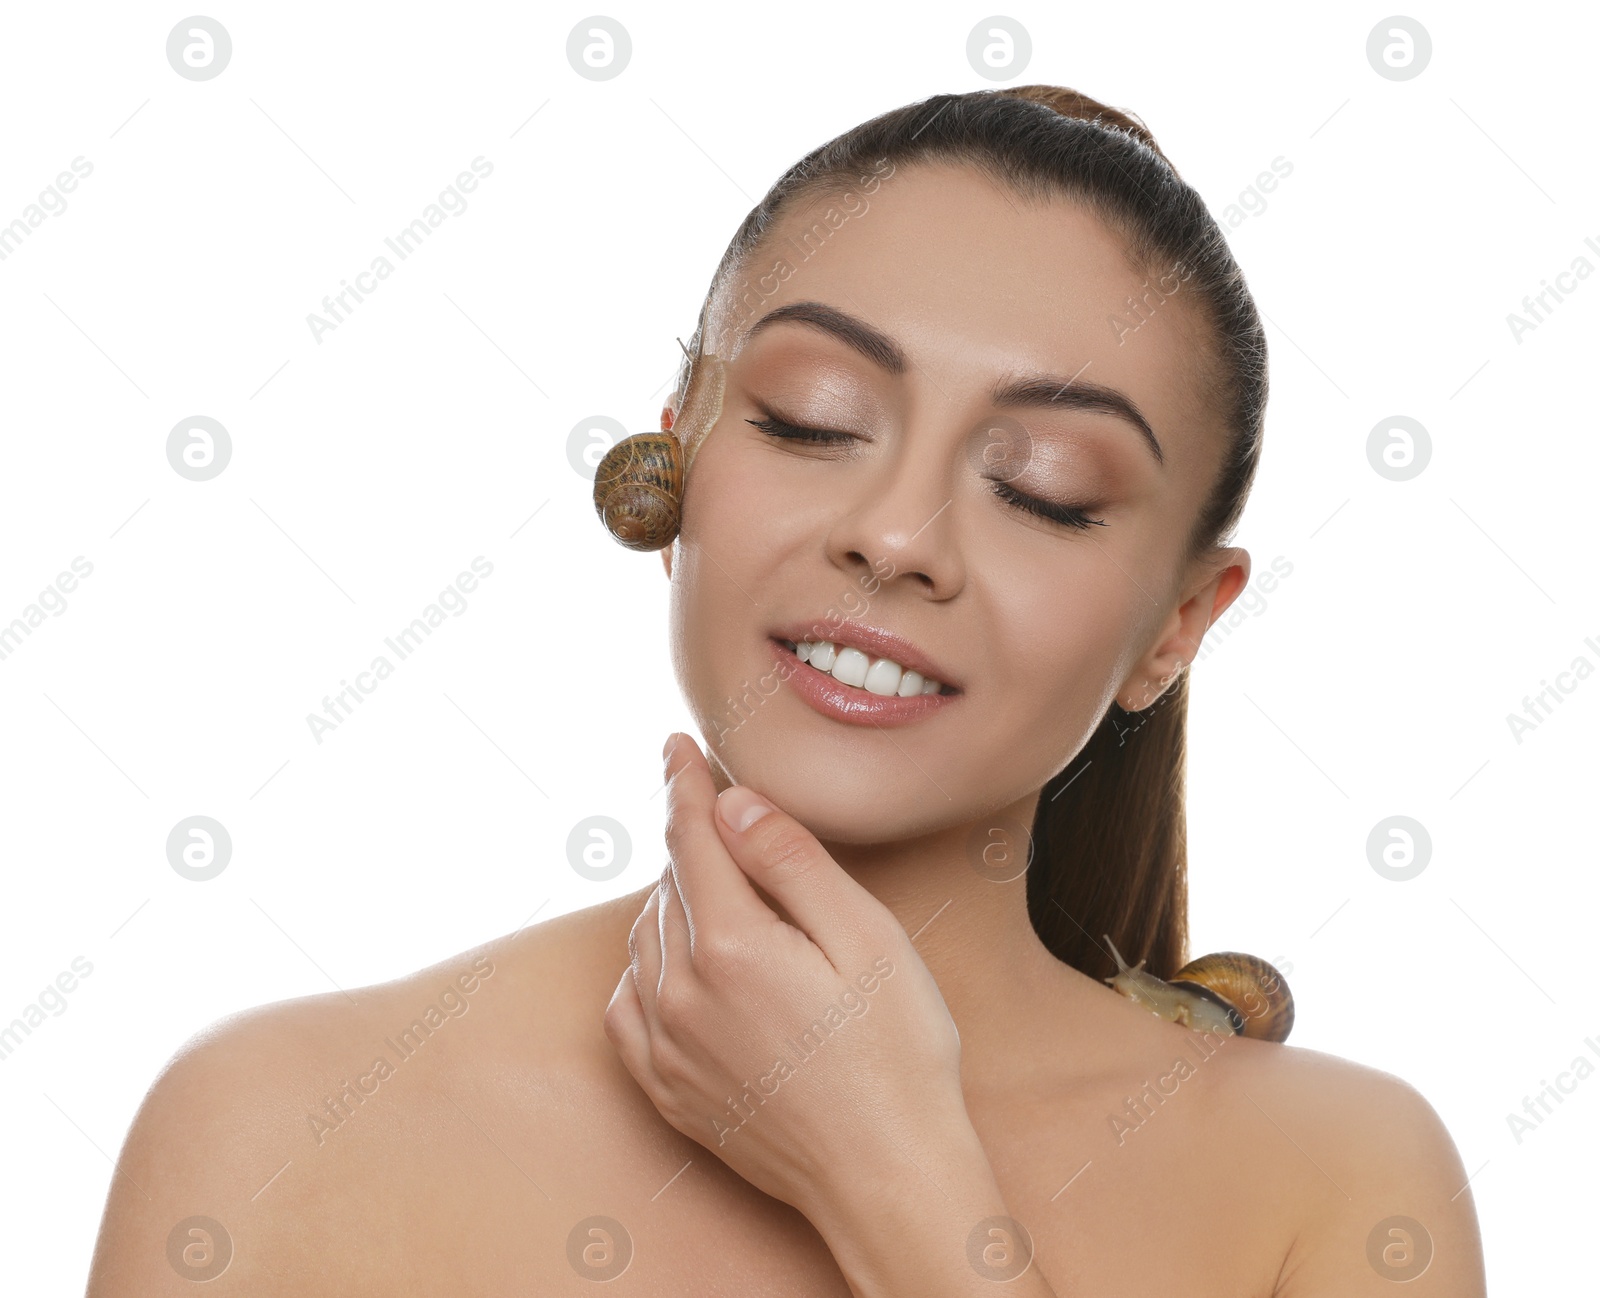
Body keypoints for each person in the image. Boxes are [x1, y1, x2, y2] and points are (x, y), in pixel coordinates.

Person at [85, 86, 1487, 1295]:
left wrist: (901, 1183)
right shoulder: (275, 1127)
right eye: (813, 418)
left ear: (1176, 627)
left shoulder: (1339, 1183)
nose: (898, 534)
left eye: (1045, 491)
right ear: (678, 449)